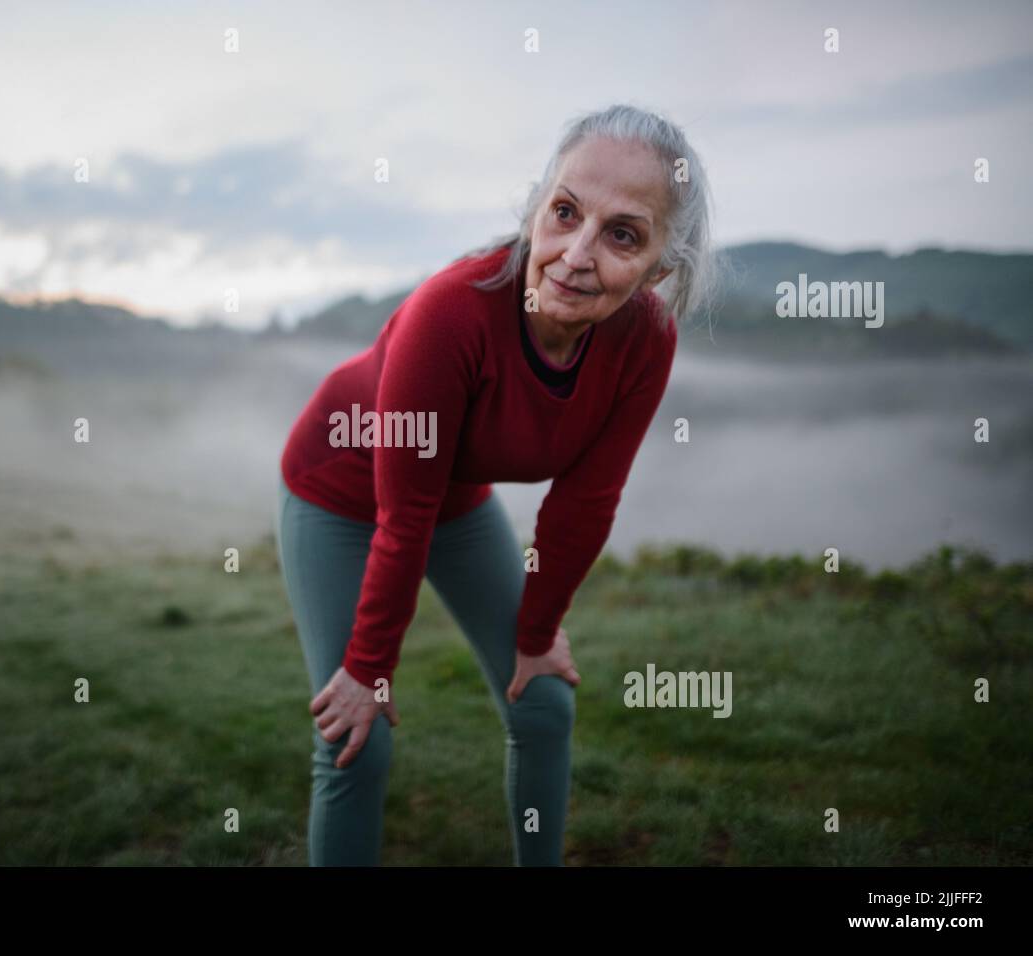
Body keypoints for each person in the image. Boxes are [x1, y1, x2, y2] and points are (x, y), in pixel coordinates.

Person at [274, 104, 720, 866]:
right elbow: (402, 515)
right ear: (536, 209)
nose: (576, 255)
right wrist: (369, 670)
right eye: (565, 212)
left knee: (544, 701)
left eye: (622, 235)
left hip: (451, 499)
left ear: (658, 270)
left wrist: (537, 636)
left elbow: (586, 501)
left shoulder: (647, 337)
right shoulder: (451, 312)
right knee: (358, 737)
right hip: (338, 494)